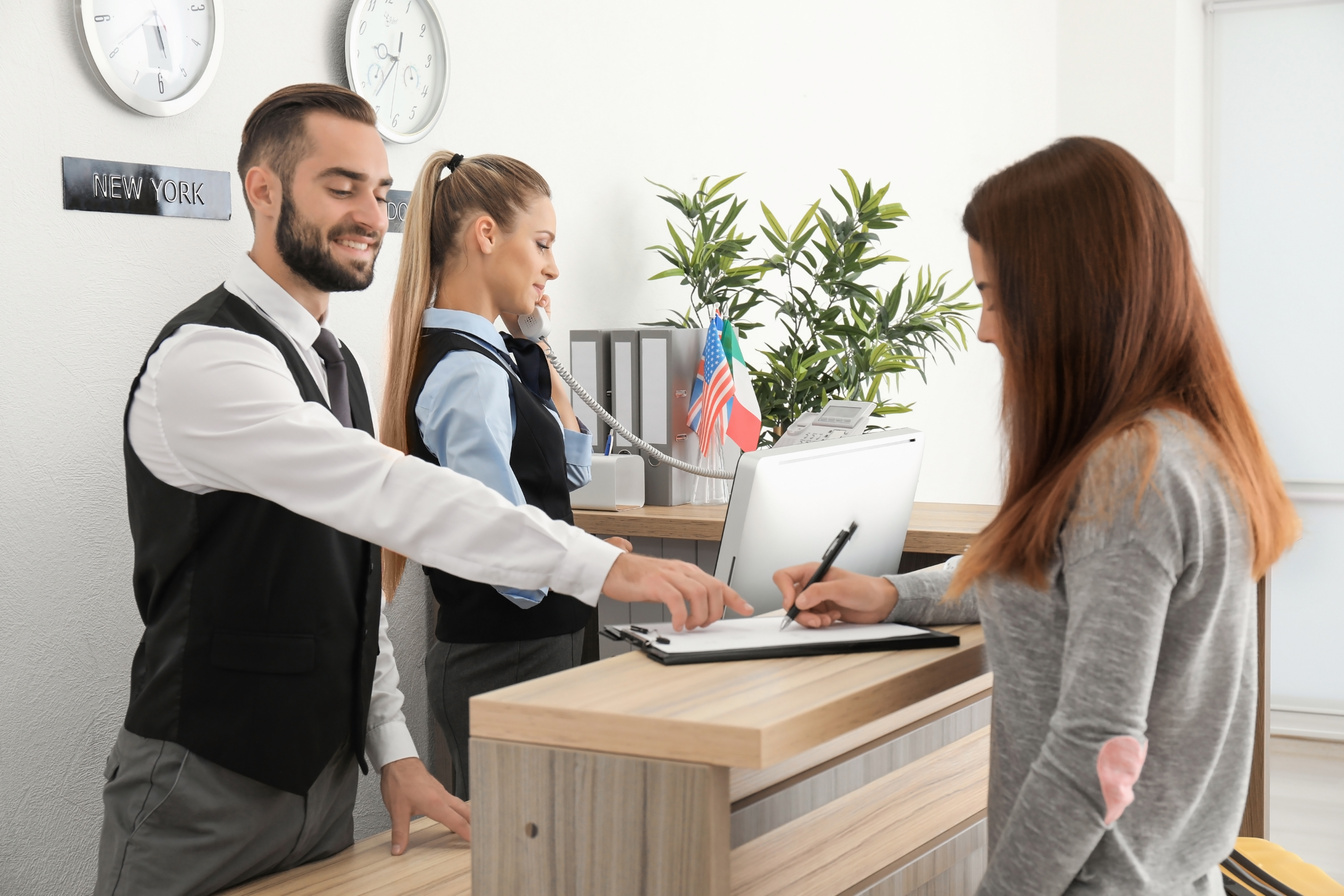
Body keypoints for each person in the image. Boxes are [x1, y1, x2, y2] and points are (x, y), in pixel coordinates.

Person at [97, 83, 750, 896]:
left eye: (379, 192)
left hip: (322, 792)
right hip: (204, 787)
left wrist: (394, 751)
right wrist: (599, 567)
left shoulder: (332, 364)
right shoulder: (210, 359)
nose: (371, 215)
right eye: (340, 188)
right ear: (262, 192)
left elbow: (352, 583)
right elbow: (395, 493)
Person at [773, 137, 1298, 895]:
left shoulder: (1128, 476)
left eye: (992, 296)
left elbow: (1097, 749)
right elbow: (1056, 582)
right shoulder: (1180, 441)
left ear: (1068, 297)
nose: (984, 329)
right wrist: (894, 596)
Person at [377, 150, 623, 799]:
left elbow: (564, 475)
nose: (553, 266)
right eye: (541, 243)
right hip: (511, 653)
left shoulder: (491, 357)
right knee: (527, 853)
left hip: (538, 642)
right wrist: (584, 564)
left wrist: (543, 360)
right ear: (486, 236)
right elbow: (507, 553)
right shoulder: (465, 372)